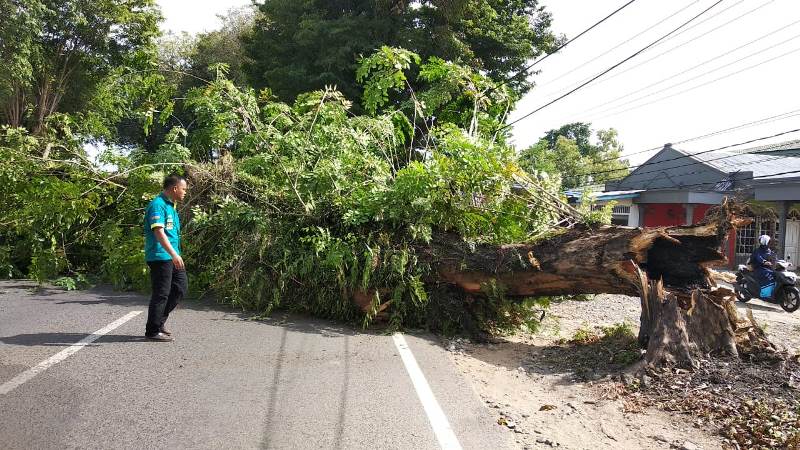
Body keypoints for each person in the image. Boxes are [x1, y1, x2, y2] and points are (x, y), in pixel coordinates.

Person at [143, 173, 188, 341]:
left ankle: (159, 321)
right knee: (161, 293)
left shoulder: (171, 206)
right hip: (160, 256)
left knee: (180, 288)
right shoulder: (158, 204)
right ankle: (152, 331)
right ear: (175, 188)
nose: (185, 192)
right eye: (183, 189)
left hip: (171, 256)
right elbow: (159, 231)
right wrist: (174, 254)